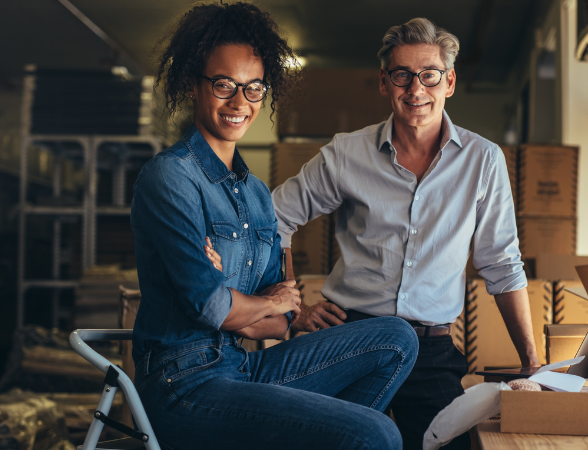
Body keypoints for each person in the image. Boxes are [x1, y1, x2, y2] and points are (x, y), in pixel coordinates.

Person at [129, 4, 417, 449]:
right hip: (183, 386)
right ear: (193, 83)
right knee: (375, 433)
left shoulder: (258, 194)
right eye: (224, 84)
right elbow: (212, 308)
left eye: (254, 88)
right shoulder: (170, 178)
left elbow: (279, 324)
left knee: (397, 339)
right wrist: (248, 303)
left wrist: (246, 302)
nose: (240, 102)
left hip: (241, 369)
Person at [272, 17, 540, 450]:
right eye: (402, 75)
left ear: (449, 81)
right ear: (384, 82)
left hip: (430, 352)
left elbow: (502, 264)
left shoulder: (483, 160)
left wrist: (531, 361)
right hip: (350, 340)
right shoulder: (346, 153)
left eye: (429, 75)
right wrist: (292, 308)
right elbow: (274, 219)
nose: (416, 90)